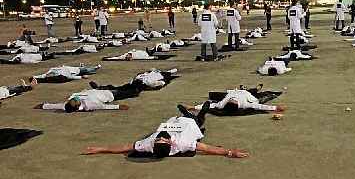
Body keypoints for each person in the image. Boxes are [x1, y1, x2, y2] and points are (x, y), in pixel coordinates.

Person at [82, 104, 249, 159]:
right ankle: (202, 111)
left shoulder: (148, 145)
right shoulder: (183, 144)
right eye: (162, 141)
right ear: (170, 143)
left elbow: (125, 146)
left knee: (173, 120)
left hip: (171, 126)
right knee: (197, 120)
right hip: (187, 128)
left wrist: (101, 149)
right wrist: (229, 152)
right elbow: (207, 148)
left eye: (157, 141)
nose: (159, 139)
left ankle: (186, 112)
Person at [35, 87, 139, 113]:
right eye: (75, 101)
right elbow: (104, 107)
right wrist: (119, 107)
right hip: (109, 94)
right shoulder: (89, 105)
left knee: (121, 87)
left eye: (72, 100)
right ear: (77, 106)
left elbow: (55, 105)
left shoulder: (67, 104)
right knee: (131, 92)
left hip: (95, 90)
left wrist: (43, 106)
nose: (75, 99)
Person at [187, 88, 285, 115]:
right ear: (237, 104)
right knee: (255, 93)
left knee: (213, 95)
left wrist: (194, 107)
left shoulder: (222, 104)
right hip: (246, 94)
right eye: (232, 101)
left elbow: (211, 105)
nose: (232, 99)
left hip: (234, 91)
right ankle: (255, 88)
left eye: (231, 100)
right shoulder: (245, 104)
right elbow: (260, 106)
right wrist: (275, 108)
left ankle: (254, 88)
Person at [90, 69, 178, 92]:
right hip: (138, 84)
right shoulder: (153, 74)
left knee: (120, 89)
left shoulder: (155, 79)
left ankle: (101, 88)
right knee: (120, 88)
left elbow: (160, 85)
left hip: (139, 86)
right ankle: (100, 88)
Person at [32, 65, 101, 83]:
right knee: (86, 70)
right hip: (76, 71)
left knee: (87, 69)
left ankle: (95, 68)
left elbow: (43, 75)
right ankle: (95, 68)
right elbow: (70, 77)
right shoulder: (51, 71)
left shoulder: (52, 70)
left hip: (76, 70)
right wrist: (82, 77)